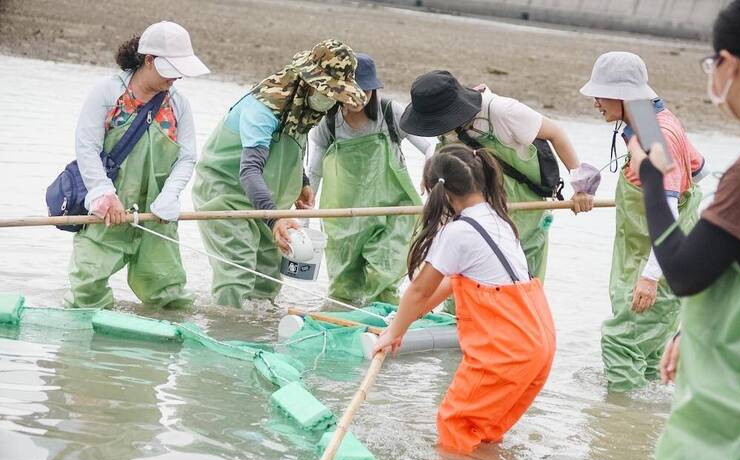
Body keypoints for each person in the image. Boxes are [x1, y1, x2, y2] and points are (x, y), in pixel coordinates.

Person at [628, 1, 740, 460]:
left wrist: (655, 181)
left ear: (731, 64)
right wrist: (685, 331)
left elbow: (684, 272)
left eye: (712, 63)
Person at [372, 144, 556, 454]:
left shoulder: (458, 232)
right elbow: (445, 287)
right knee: (483, 434)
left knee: (454, 426)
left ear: (441, 192)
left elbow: (420, 289)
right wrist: (402, 324)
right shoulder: (498, 219)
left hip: (505, 350)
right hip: (538, 345)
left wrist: (393, 332)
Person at [192, 40, 366, 307]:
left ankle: (259, 331)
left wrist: (302, 182)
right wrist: (275, 221)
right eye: (327, 91)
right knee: (237, 273)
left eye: (335, 95)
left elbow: (292, 146)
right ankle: (226, 329)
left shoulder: (305, 107)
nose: (330, 99)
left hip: (268, 203)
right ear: (308, 81)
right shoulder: (263, 107)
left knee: (267, 280)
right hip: (227, 197)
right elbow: (249, 170)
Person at [399, 71, 598, 286]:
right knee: (466, 278)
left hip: (523, 210)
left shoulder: (502, 112)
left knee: (521, 282)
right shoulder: (445, 127)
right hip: (476, 212)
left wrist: (581, 188)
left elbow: (556, 133)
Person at [579, 52, 704, 391]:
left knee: (619, 343)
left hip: (657, 264)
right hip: (657, 257)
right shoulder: (647, 119)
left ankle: (617, 425)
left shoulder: (655, 137)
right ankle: (642, 427)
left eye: (600, 95)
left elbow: (672, 213)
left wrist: (650, 278)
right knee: (647, 356)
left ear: (623, 96)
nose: (594, 102)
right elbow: (698, 168)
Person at [65, 21, 209, 309]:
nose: (178, 77)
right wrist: (103, 193)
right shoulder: (107, 94)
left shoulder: (178, 104)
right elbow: (87, 148)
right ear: (149, 60)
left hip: (156, 216)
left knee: (170, 297)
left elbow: (187, 157)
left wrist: (170, 195)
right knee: (86, 289)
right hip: (109, 212)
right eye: (172, 68)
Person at [307, 53, 435, 305]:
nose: (358, 98)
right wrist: (304, 215)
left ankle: (386, 327)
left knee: (383, 272)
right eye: (352, 91)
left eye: (364, 91)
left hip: (393, 211)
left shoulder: (390, 112)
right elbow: (315, 170)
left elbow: (431, 146)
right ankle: (343, 325)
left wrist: (429, 170)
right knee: (344, 285)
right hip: (345, 216)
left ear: (373, 89)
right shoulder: (329, 122)